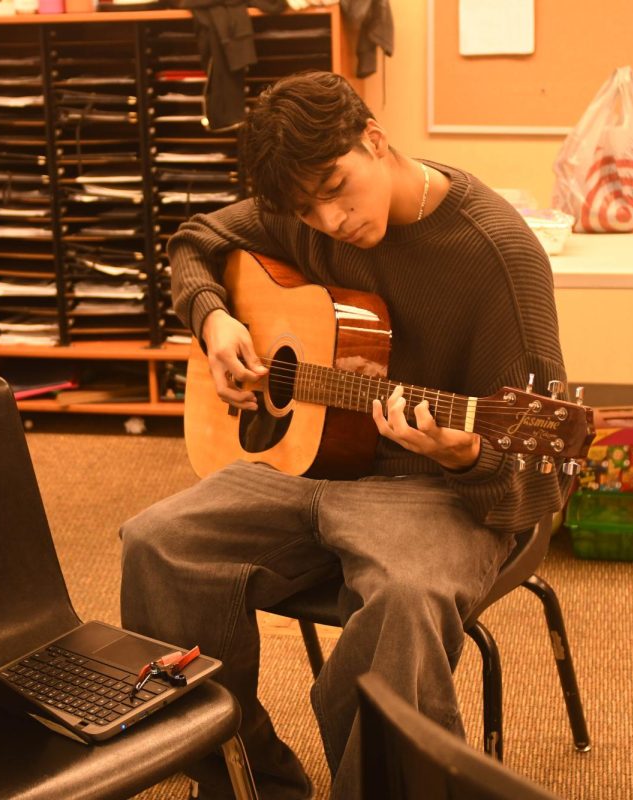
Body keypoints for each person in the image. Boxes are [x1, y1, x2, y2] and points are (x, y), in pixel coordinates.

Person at [120, 71, 568, 800]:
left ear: (375, 139)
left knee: (401, 602)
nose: (329, 220)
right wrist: (213, 319)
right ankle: (246, 779)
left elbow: (543, 473)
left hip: (439, 492)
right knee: (157, 544)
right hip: (310, 465)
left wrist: (471, 454)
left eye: (337, 187)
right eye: (305, 208)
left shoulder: (497, 257)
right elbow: (195, 240)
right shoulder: (301, 210)